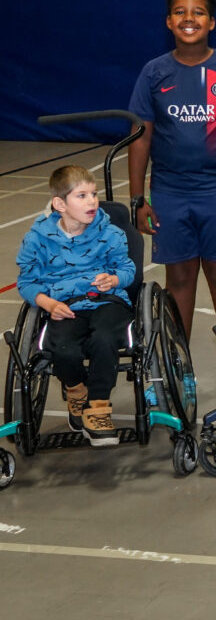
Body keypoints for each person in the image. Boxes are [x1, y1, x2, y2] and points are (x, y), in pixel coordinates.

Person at [127, 0, 216, 340]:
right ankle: (179, 364)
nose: (189, 18)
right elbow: (141, 138)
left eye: (198, 12)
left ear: (212, 22)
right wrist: (139, 199)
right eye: (180, 12)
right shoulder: (154, 72)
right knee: (179, 278)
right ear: (168, 21)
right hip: (170, 192)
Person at [16, 165, 137, 447]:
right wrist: (47, 303)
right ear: (60, 204)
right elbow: (27, 281)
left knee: (105, 339)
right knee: (63, 348)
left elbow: (128, 269)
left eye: (94, 194)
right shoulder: (38, 239)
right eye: (81, 196)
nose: (92, 201)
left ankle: (97, 409)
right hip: (65, 305)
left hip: (108, 301)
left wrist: (115, 278)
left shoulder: (111, 233)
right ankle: (76, 390)